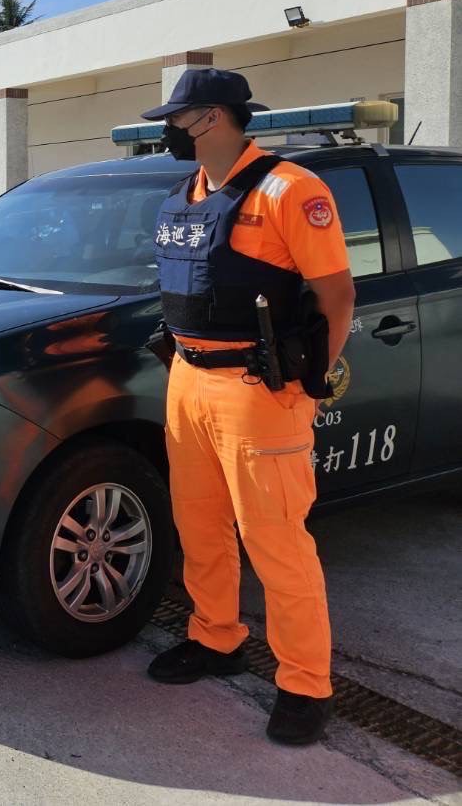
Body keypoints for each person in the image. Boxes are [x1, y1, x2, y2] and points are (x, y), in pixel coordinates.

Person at [141, 68, 356, 746]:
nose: (167, 131)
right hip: (187, 379)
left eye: (174, 120)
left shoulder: (290, 190)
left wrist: (306, 378)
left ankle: (303, 684)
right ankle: (215, 638)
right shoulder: (185, 193)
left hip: (257, 390)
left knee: (274, 541)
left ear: (209, 118)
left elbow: (336, 294)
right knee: (199, 527)